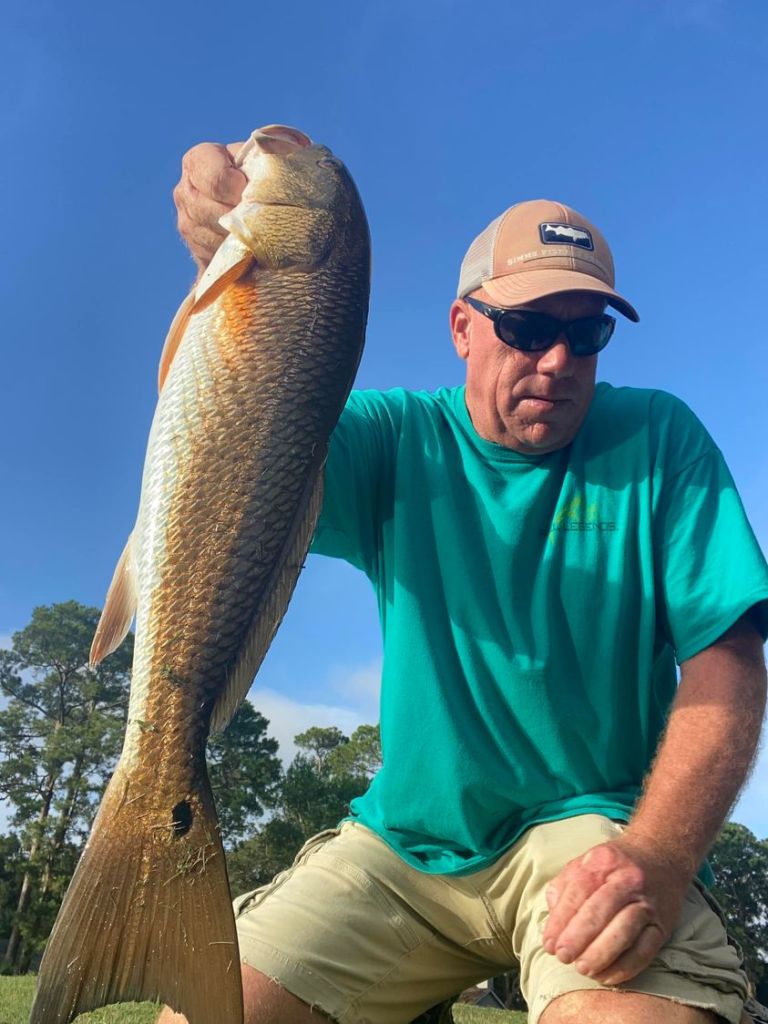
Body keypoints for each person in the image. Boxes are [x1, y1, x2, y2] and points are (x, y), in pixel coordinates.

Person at [163, 136, 768, 1024]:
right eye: (526, 328)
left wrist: (662, 855)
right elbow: (238, 438)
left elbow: (728, 662)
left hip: (592, 831)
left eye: (585, 334)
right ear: (461, 328)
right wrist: (230, 276)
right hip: (404, 847)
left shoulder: (659, 439)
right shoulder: (391, 440)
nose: (557, 362)